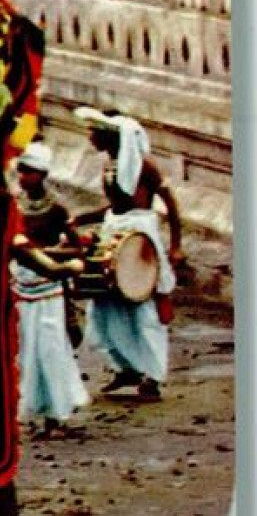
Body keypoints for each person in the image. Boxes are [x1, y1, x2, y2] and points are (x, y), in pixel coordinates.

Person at [73, 108, 183, 401]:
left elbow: (169, 204)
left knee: (142, 307)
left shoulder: (145, 165)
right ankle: (127, 368)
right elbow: (114, 208)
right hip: (114, 231)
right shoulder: (109, 163)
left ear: (109, 135)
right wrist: (81, 219)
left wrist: (176, 245)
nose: (90, 137)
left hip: (140, 236)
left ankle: (153, 376)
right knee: (106, 305)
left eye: (93, 132)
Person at [9, 141, 90, 436]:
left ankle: (58, 413)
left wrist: (48, 256)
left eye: (28, 172)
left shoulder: (56, 208)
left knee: (52, 350)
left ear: (41, 175)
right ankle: (40, 411)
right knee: (28, 352)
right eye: (21, 172)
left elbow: (77, 250)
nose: (23, 177)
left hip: (49, 289)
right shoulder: (14, 206)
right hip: (23, 286)